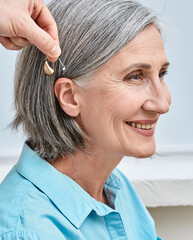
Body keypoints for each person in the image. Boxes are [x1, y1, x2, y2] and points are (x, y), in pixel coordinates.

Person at [0, 0, 171, 239]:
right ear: (70, 97)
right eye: (135, 77)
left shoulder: (116, 189)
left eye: (162, 74)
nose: (163, 103)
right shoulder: (26, 231)